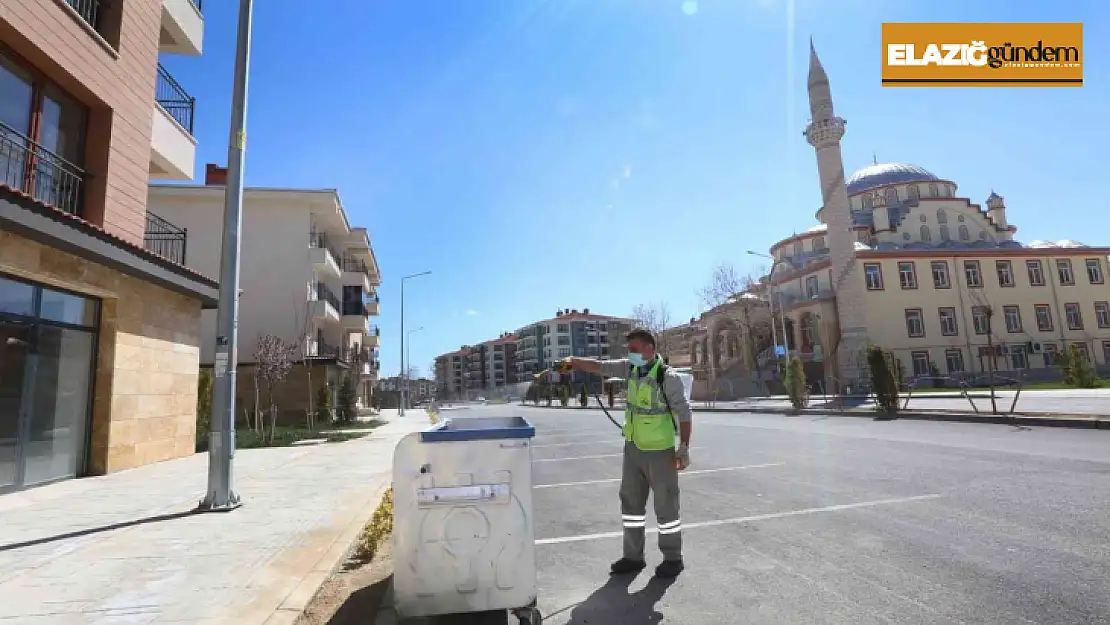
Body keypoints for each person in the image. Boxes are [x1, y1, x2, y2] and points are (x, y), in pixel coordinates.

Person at [556, 328, 692, 578]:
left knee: (666, 506)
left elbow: (684, 412)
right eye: (629, 351)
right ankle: (633, 556)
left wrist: (683, 448)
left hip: (660, 452)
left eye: (635, 350)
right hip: (633, 449)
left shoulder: (667, 377)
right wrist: (574, 362)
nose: (630, 355)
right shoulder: (630, 368)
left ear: (650, 349)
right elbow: (599, 366)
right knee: (631, 505)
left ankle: (673, 558)